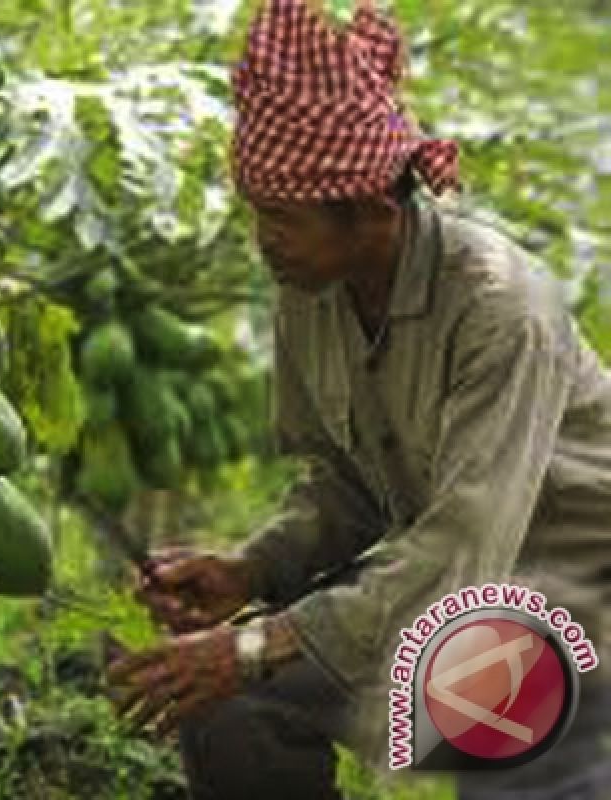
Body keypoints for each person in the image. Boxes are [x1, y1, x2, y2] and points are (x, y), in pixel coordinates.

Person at [106, 1, 611, 798]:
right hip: (444, 584)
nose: (263, 238)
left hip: (570, 600)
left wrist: (254, 645)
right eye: (257, 214)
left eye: (282, 218)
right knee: (238, 713)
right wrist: (253, 570)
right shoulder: (313, 285)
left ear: (375, 210)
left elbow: (463, 548)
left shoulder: (500, 310)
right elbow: (343, 484)